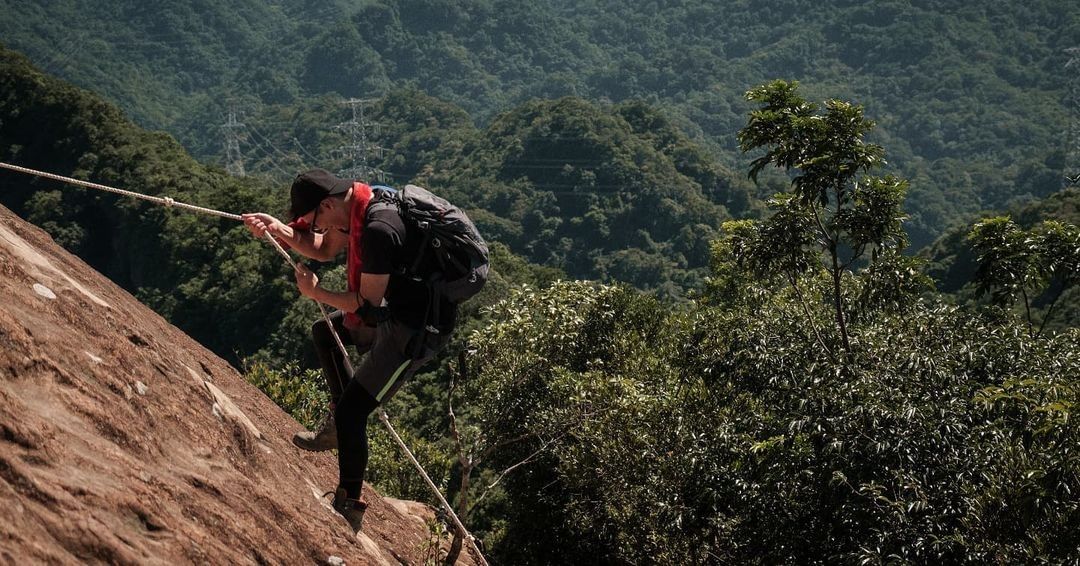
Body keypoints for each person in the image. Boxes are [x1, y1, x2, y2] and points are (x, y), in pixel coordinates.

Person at [241, 169, 467, 535]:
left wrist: (316, 293)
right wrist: (278, 230)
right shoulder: (356, 204)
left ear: (328, 204)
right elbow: (325, 249)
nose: (314, 227)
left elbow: (365, 305)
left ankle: (349, 504)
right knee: (325, 333)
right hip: (393, 307)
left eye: (315, 220)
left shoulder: (378, 229)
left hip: (415, 328)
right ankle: (336, 428)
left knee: (353, 412)